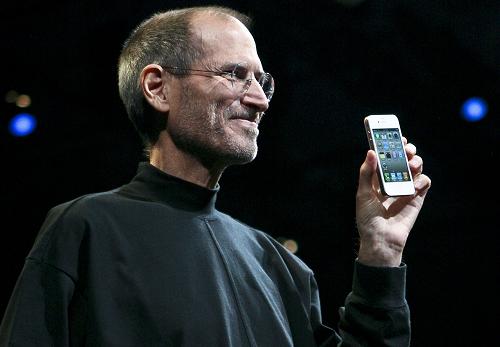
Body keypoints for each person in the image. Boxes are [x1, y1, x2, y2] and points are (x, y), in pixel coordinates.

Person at [0, 5, 431, 346]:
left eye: (263, 81)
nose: (260, 101)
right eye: (235, 75)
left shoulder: (281, 268)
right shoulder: (85, 229)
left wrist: (381, 251)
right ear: (157, 88)